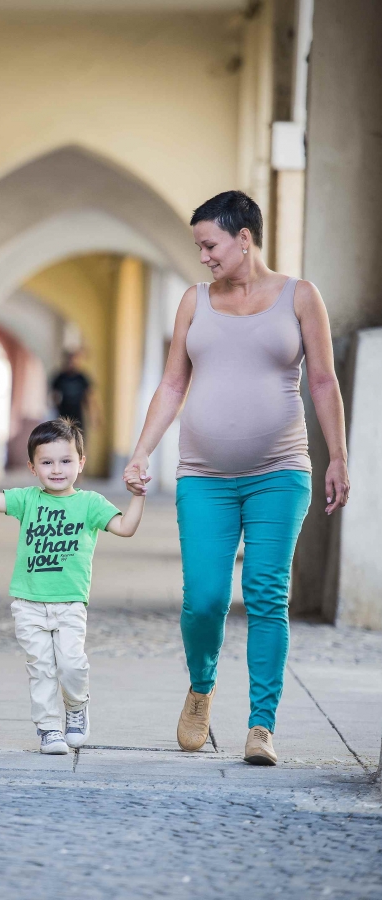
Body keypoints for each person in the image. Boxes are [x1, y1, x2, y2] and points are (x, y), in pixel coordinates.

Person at [124, 191, 350, 766]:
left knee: (267, 595)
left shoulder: (301, 297)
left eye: (210, 245)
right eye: (199, 247)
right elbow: (173, 383)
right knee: (203, 600)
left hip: (281, 472)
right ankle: (201, 688)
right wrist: (142, 450)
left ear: (244, 238)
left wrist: (339, 457)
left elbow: (323, 381)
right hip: (204, 477)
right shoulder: (194, 301)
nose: (203, 256)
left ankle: (261, 725)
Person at [0, 418, 145, 754]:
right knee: (41, 668)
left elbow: (126, 527)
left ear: (80, 463)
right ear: (32, 467)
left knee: (72, 665)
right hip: (28, 603)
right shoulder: (27, 499)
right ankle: (48, 728)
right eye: (46, 462)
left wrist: (138, 497)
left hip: (70, 602)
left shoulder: (91, 503)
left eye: (65, 461)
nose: (57, 469)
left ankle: (76, 705)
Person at [51, 350, 96, 433]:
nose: (71, 363)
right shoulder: (60, 377)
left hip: (78, 415)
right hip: (63, 415)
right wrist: (56, 408)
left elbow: (89, 397)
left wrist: (93, 416)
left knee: (79, 436)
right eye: (69, 360)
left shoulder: (81, 378)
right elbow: (54, 395)